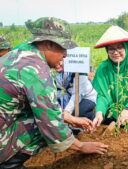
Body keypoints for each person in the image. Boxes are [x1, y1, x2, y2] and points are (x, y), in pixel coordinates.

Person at [0, 17, 108, 169]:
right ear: (49, 43)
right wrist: (81, 146)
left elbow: (43, 105)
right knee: (43, 127)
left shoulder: (23, 51)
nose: (65, 55)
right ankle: (9, 164)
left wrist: (70, 118)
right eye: (63, 48)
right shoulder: (36, 71)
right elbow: (50, 121)